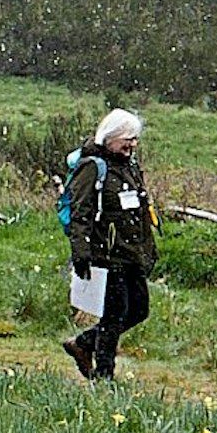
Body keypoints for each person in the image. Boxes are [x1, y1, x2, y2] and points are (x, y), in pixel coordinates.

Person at [61, 108, 158, 381]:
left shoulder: (131, 166)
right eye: (128, 139)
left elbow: (140, 211)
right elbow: (81, 213)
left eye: (136, 139)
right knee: (114, 316)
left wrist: (149, 251)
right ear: (111, 137)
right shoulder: (92, 167)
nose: (133, 145)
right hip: (107, 255)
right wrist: (81, 253)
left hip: (132, 254)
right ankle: (104, 378)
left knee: (139, 311)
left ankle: (83, 343)